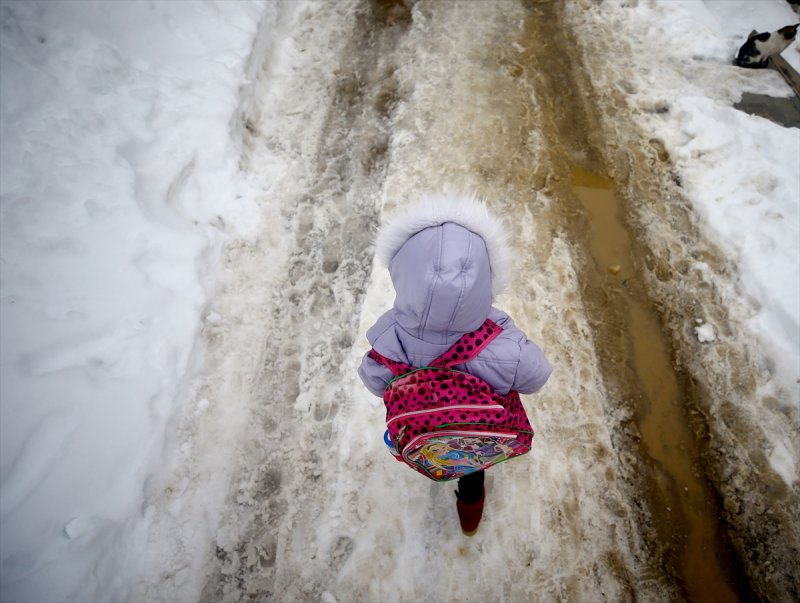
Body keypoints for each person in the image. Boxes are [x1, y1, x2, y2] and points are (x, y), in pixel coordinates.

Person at [358, 194, 552, 534]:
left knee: (438, 450)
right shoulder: (502, 345)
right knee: (471, 468)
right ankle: (469, 517)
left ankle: (436, 463)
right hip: (474, 430)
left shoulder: (390, 338)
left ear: (403, 274)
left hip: (423, 430)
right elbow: (536, 375)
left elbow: (374, 379)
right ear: (487, 280)